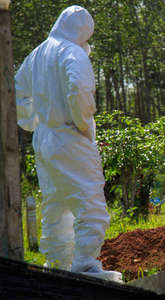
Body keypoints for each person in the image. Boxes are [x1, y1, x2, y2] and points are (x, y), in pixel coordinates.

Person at [15, 5, 122, 283]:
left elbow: (16, 91)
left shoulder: (37, 53)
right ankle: (85, 266)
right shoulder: (72, 52)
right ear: (83, 31)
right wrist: (83, 125)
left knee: (56, 203)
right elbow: (80, 91)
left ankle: (57, 267)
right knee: (90, 202)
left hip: (44, 139)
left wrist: (31, 121)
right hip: (69, 135)